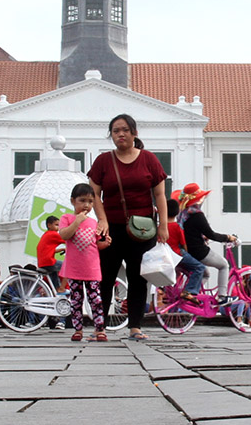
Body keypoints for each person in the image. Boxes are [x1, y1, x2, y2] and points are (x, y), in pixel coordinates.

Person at [87, 114, 168, 341]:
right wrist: (101, 219)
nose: (120, 134)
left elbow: (159, 194)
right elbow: (94, 193)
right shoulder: (103, 161)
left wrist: (163, 225)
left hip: (143, 230)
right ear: (111, 135)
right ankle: (100, 327)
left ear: (134, 133)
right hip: (110, 229)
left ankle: (135, 326)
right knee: (105, 277)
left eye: (124, 130)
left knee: (138, 278)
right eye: (115, 131)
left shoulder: (149, 159)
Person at [58, 183, 111, 342]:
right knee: (76, 299)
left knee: (95, 299)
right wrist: (77, 221)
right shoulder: (67, 218)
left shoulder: (94, 223)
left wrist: (105, 243)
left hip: (92, 269)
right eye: (82, 200)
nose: (86, 205)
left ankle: (100, 329)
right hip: (74, 269)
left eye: (90, 201)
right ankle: (77, 329)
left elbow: (93, 245)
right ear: (73, 201)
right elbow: (65, 235)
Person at [177, 183, 236, 300]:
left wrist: (202, 236)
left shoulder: (183, 214)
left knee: (205, 274)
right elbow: (212, 234)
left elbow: (189, 232)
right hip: (199, 252)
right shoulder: (198, 215)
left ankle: (192, 297)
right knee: (224, 265)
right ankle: (222, 297)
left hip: (187, 251)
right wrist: (228, 237)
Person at [165, 197, 206, 296]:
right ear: (177, 212)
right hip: (178, 254)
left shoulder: (161, 227)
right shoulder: (177, 226)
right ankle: (190, 290)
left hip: (167, 255)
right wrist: (187, 253)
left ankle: (168, 291)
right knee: (200, 267)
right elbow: (183, 243)